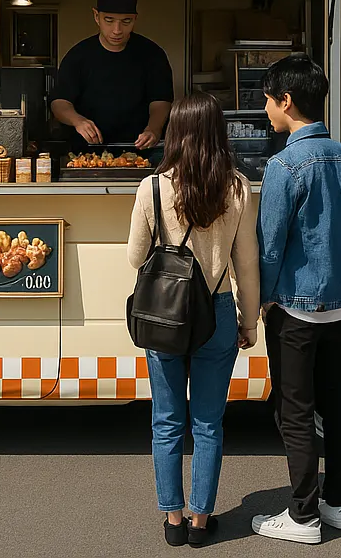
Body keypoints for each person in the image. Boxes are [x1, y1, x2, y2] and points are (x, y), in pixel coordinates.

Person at [127, 93, 259, 548]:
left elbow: (134, 258)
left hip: (165, 314)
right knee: (208, 423)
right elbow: (247, 264)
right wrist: (250, 320)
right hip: (218, 313)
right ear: (218, 133)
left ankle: (173, 520)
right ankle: (202, 523)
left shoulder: (153, 188)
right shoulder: (238, 188)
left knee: (166, 421)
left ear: (175, 133)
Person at [251, 56, 341, 545]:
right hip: (340, 305)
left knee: (293, 410)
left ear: (286, 100)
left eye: (267, 98)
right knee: (333, 404)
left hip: (295, 310)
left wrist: (259, 301)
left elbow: (271, 246)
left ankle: (302, 517)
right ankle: (336, 503)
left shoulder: (284, 165)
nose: (264, 108)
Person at [51, 0, 174, 150]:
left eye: (126, 21)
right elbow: (59, 102)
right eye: (109, 20)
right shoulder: (77, 56)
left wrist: (154, 129)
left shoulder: (153, 55)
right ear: (96, 16)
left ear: (135, 19)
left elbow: (160, 100)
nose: (117, 30)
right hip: (87, 151)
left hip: (141, 149)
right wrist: (78, 121)